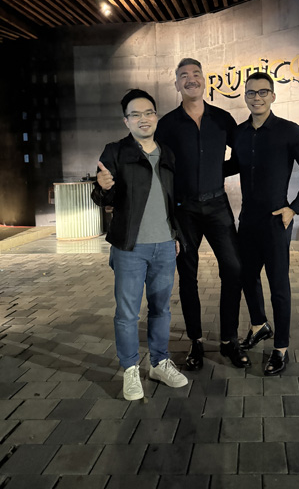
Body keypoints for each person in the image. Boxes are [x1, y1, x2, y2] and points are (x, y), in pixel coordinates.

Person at [91, 88, 188, 400]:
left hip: (165, 246)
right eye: (135, 114)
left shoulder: (168, 153)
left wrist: (175, 235)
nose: (143, 119)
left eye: (148, 112)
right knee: (127, 313)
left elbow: (172, 200)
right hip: (130, 248)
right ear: (126, 121)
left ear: (156, 116)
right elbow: (103, 198)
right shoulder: (115, 152)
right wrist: (101, 187)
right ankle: (130, 369)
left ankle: (159, 363)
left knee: (161, 309)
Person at [226, 71, 299, 375]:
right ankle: (259, 325)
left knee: (278, 285)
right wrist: (197, 170)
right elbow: (234, 165)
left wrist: (294, 207)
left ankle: (281, 347)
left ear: (272, 96)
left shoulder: (289, 131)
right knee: (246, 276)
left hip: (276, 221)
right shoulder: (239, 133)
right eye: (251, 92)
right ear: (245, 96)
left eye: (262, 92)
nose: (256, 98)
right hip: (248, 220)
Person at [156, 58, 250, 370]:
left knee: (234, 269)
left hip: (217, 205)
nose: (191, 79)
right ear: (176, 84)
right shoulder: (167, 125)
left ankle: (229, 340)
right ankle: (195, 342)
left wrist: (213, 171)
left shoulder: (222, 119)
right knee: (187, 275)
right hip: (183, 210)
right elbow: (160, 170)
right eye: (184, 75)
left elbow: (241, 157)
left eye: (196, 74)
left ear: (204, 81)